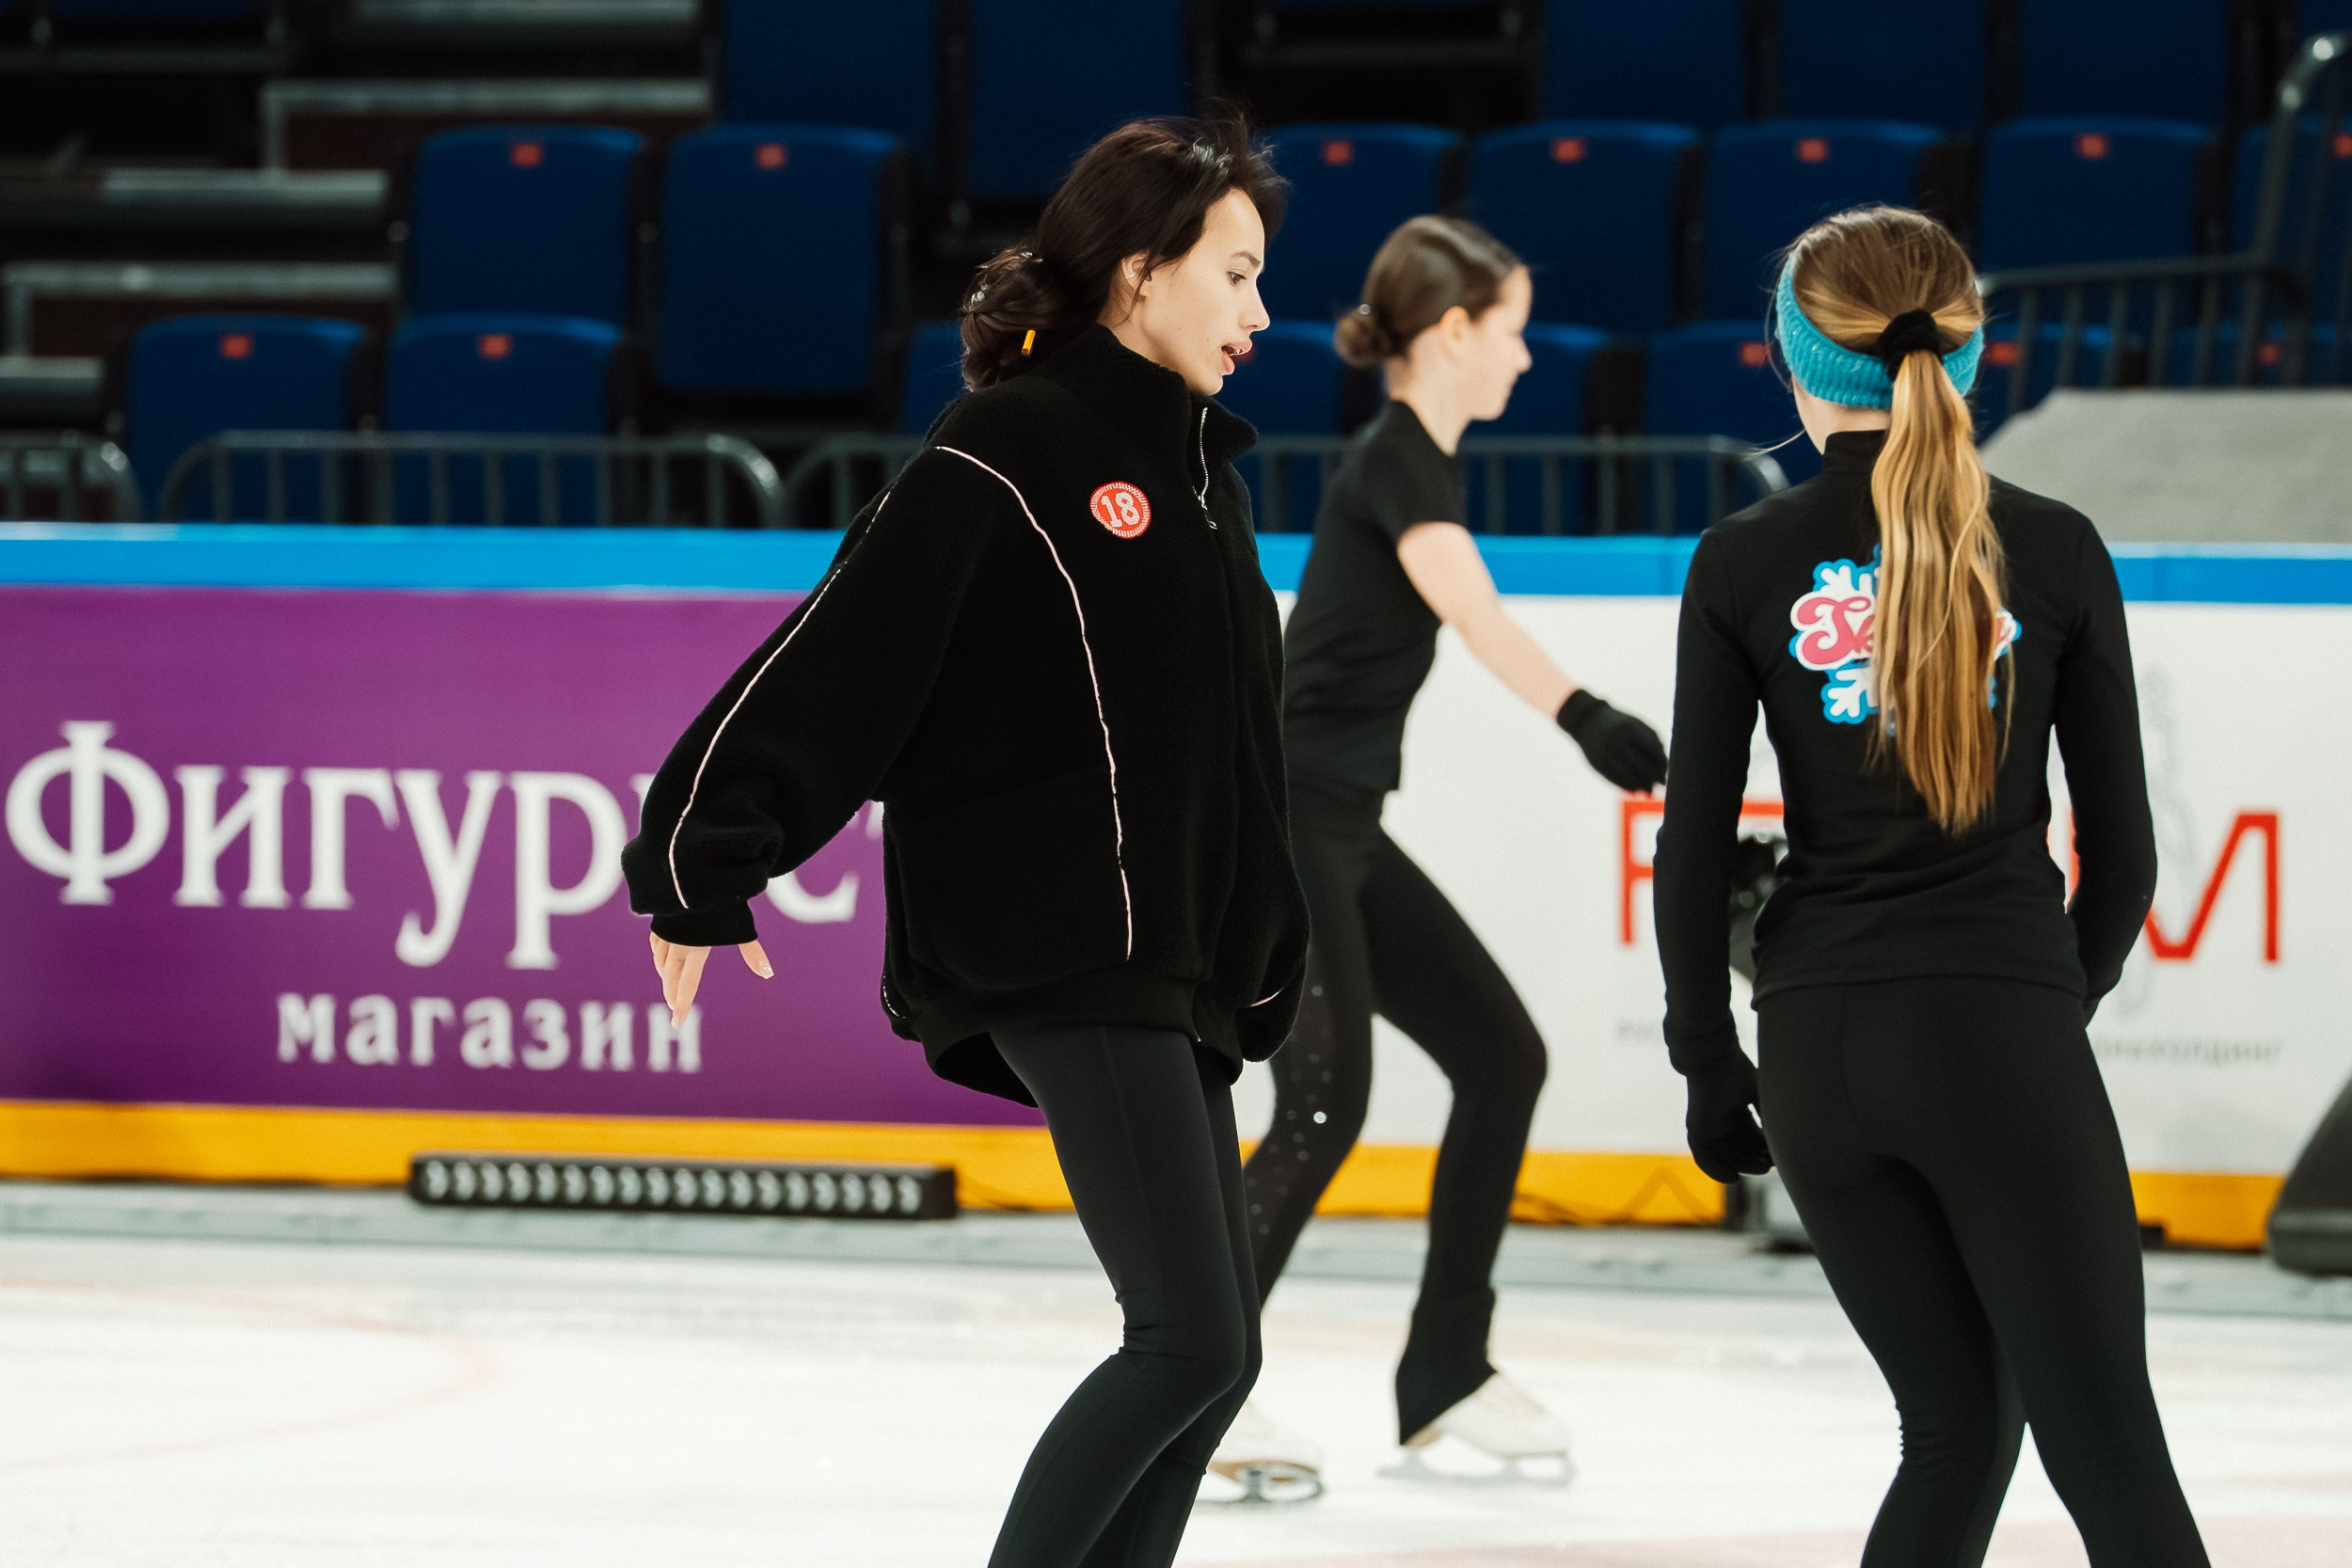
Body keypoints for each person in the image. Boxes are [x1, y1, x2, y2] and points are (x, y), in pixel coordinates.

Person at [619, 118, 1310, 1568]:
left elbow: (1238, 747)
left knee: (1218, 1354)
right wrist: (700, 867)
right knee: (1186, 1340)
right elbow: (839, 661)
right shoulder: (1009, 448)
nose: (1261, 314)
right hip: (1063, 946)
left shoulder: (1202, 480)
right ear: (1139, 273)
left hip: (1170, 963)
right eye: (1237, 276)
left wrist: (1256, 952)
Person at [1652, 205, 2210, 1568]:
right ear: (1966, 357)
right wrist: (2033, 1011)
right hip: (1994, 1032)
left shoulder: (1740, 561)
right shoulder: (2060, 547)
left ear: (1794, 363)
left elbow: (1694, 844)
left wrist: (1710, 1064)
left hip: (1818, 1049)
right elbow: (2123, 858)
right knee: (2107, 1452)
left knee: (1955, 1432)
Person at [1214, 216, 1669, 1494]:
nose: (1527, 359)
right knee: (1321, 1105)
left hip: (1344, 827)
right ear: (1454, 333)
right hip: (1290, 824)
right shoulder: (1395, 463)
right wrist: (1587, 716)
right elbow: (1471, 606)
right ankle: (1198, 1385)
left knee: (1501, 1057)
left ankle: (1445, 1373)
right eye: (1514, 332)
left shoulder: (1416, 462)